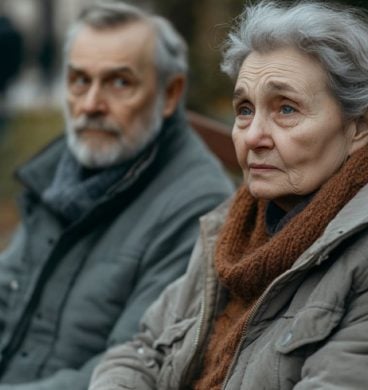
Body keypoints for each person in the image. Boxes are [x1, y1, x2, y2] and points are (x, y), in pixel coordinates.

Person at [89, 1, 368, 389]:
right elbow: (140, 351)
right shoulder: (232, 226)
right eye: (245, 109)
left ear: (360, 126)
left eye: (285, 108)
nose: (252, 137)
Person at [0, 1, 233, 389]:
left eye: (119, 82)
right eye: (79, 80)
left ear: (171, 93)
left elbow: (134, 366)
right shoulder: (68, 166)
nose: (91, 105)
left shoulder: (199, 205)